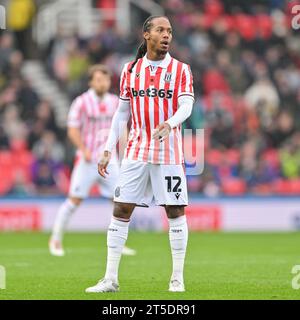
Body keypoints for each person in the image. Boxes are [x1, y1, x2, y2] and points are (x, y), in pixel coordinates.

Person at [85, 16, 194, 293]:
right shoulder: (130, 70)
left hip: (169, 152)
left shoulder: (181, 70)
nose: (166, 35)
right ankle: (110, 279)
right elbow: (121, 113)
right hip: (136, 149)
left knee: (175, 210)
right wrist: (109, 148)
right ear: (146, 34)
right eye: (160, 30)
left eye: (170, 30)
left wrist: (170, 123)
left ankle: (177, 277)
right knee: (121, 208)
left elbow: (186, 106)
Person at [49, 64, 136, 257]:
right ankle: (55, 239)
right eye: (98, 79)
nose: (102, 83)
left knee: (120, 201)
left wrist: (126, 152)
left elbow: (122, 128)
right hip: (87, 160)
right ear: (90, 82)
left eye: (105, 80)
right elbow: (72, 129)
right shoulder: (81, 102)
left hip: (110, 160)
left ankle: (118, 243)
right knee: (74, 200)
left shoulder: (115, 101)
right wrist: (83, 150)